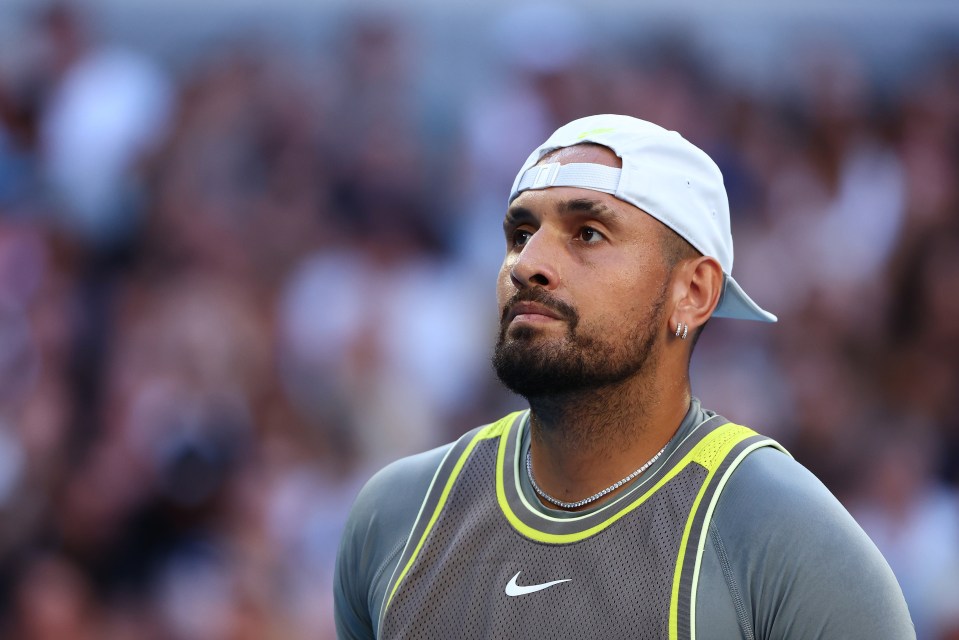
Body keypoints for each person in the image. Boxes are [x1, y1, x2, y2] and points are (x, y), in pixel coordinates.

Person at [333, 114, 914, 639]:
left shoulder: (789, 541)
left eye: (587, 233)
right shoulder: (396, 517)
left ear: (692, 293)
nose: (528, 264)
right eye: (519, 235)